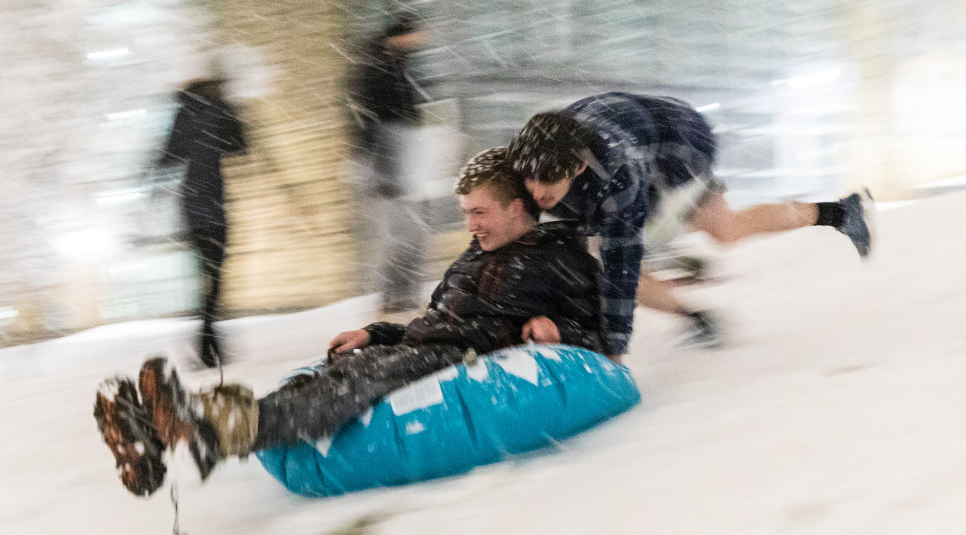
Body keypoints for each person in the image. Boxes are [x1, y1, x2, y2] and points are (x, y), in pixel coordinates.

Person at [96, 148, 605, 497]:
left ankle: (195, 426)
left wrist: (560, 333)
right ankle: (162, 432)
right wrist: (375, 333)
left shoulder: (557, 257)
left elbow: (600, 334)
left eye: (479, 213)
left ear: (518, 207)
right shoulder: (474, 257)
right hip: (424, 347)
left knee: (352, 386)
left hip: (465, 358)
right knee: (336, 372)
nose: (469, 224)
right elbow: (431, 320)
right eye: (465, 213)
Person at [506, 91, 875, 361]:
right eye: (529, 178)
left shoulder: (618, 175)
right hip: (644, 135)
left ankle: (840, 215)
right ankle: (842, 212)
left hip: (681, 147)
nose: (536, 189)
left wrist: (612, 352)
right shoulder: (530, 160)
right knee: (597, 245)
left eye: (549, 178)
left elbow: (622, 265)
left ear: (578, 166)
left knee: (712, 234)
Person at [155, 76, 248, 368]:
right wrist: (232, 114)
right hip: (214, 204)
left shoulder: (185, 114)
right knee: (215, 278)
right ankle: (208, 343)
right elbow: (240, 147)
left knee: (206, 278)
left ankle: (208, 342)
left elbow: (168, 158)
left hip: (192, 205)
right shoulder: (219, 111)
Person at [346, 12, 430, 314]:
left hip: (399, 152)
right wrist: (372, 164)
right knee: (399, 231)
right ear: (402, 34)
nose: (419, 41)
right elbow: (367, 119)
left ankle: (401, 293)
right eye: (415, 34)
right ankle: (393, 294)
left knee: (406, 229)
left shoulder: (393, 61)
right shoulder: (377, 65)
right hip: (390, 153)